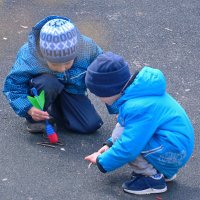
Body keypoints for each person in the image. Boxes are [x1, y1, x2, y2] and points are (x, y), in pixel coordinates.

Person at [84, 52, 194, 195]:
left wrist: (102, 161)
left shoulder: (137, 107)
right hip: (174, 146)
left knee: (130, 142)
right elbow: (127, 129)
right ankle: (162, 170)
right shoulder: (138, 93)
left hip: (173, 150)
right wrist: (110, 145)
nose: (99, 99)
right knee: (123, 132)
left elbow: (129, 146)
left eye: (99, 95)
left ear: (109, 90)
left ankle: (152, 179)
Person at [3, 15, 104, 134]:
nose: (61, 69)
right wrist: (28, 108)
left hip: (73, 91)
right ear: (43, 55)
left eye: (67, 63)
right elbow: (13, 86)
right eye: (55, 64)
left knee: (90, 125)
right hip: (43, 89)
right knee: (48, 83)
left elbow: (107, 77)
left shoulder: (88, 48)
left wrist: (118, 109)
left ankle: (58, 109)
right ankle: (36, 119)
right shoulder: (29, 56)